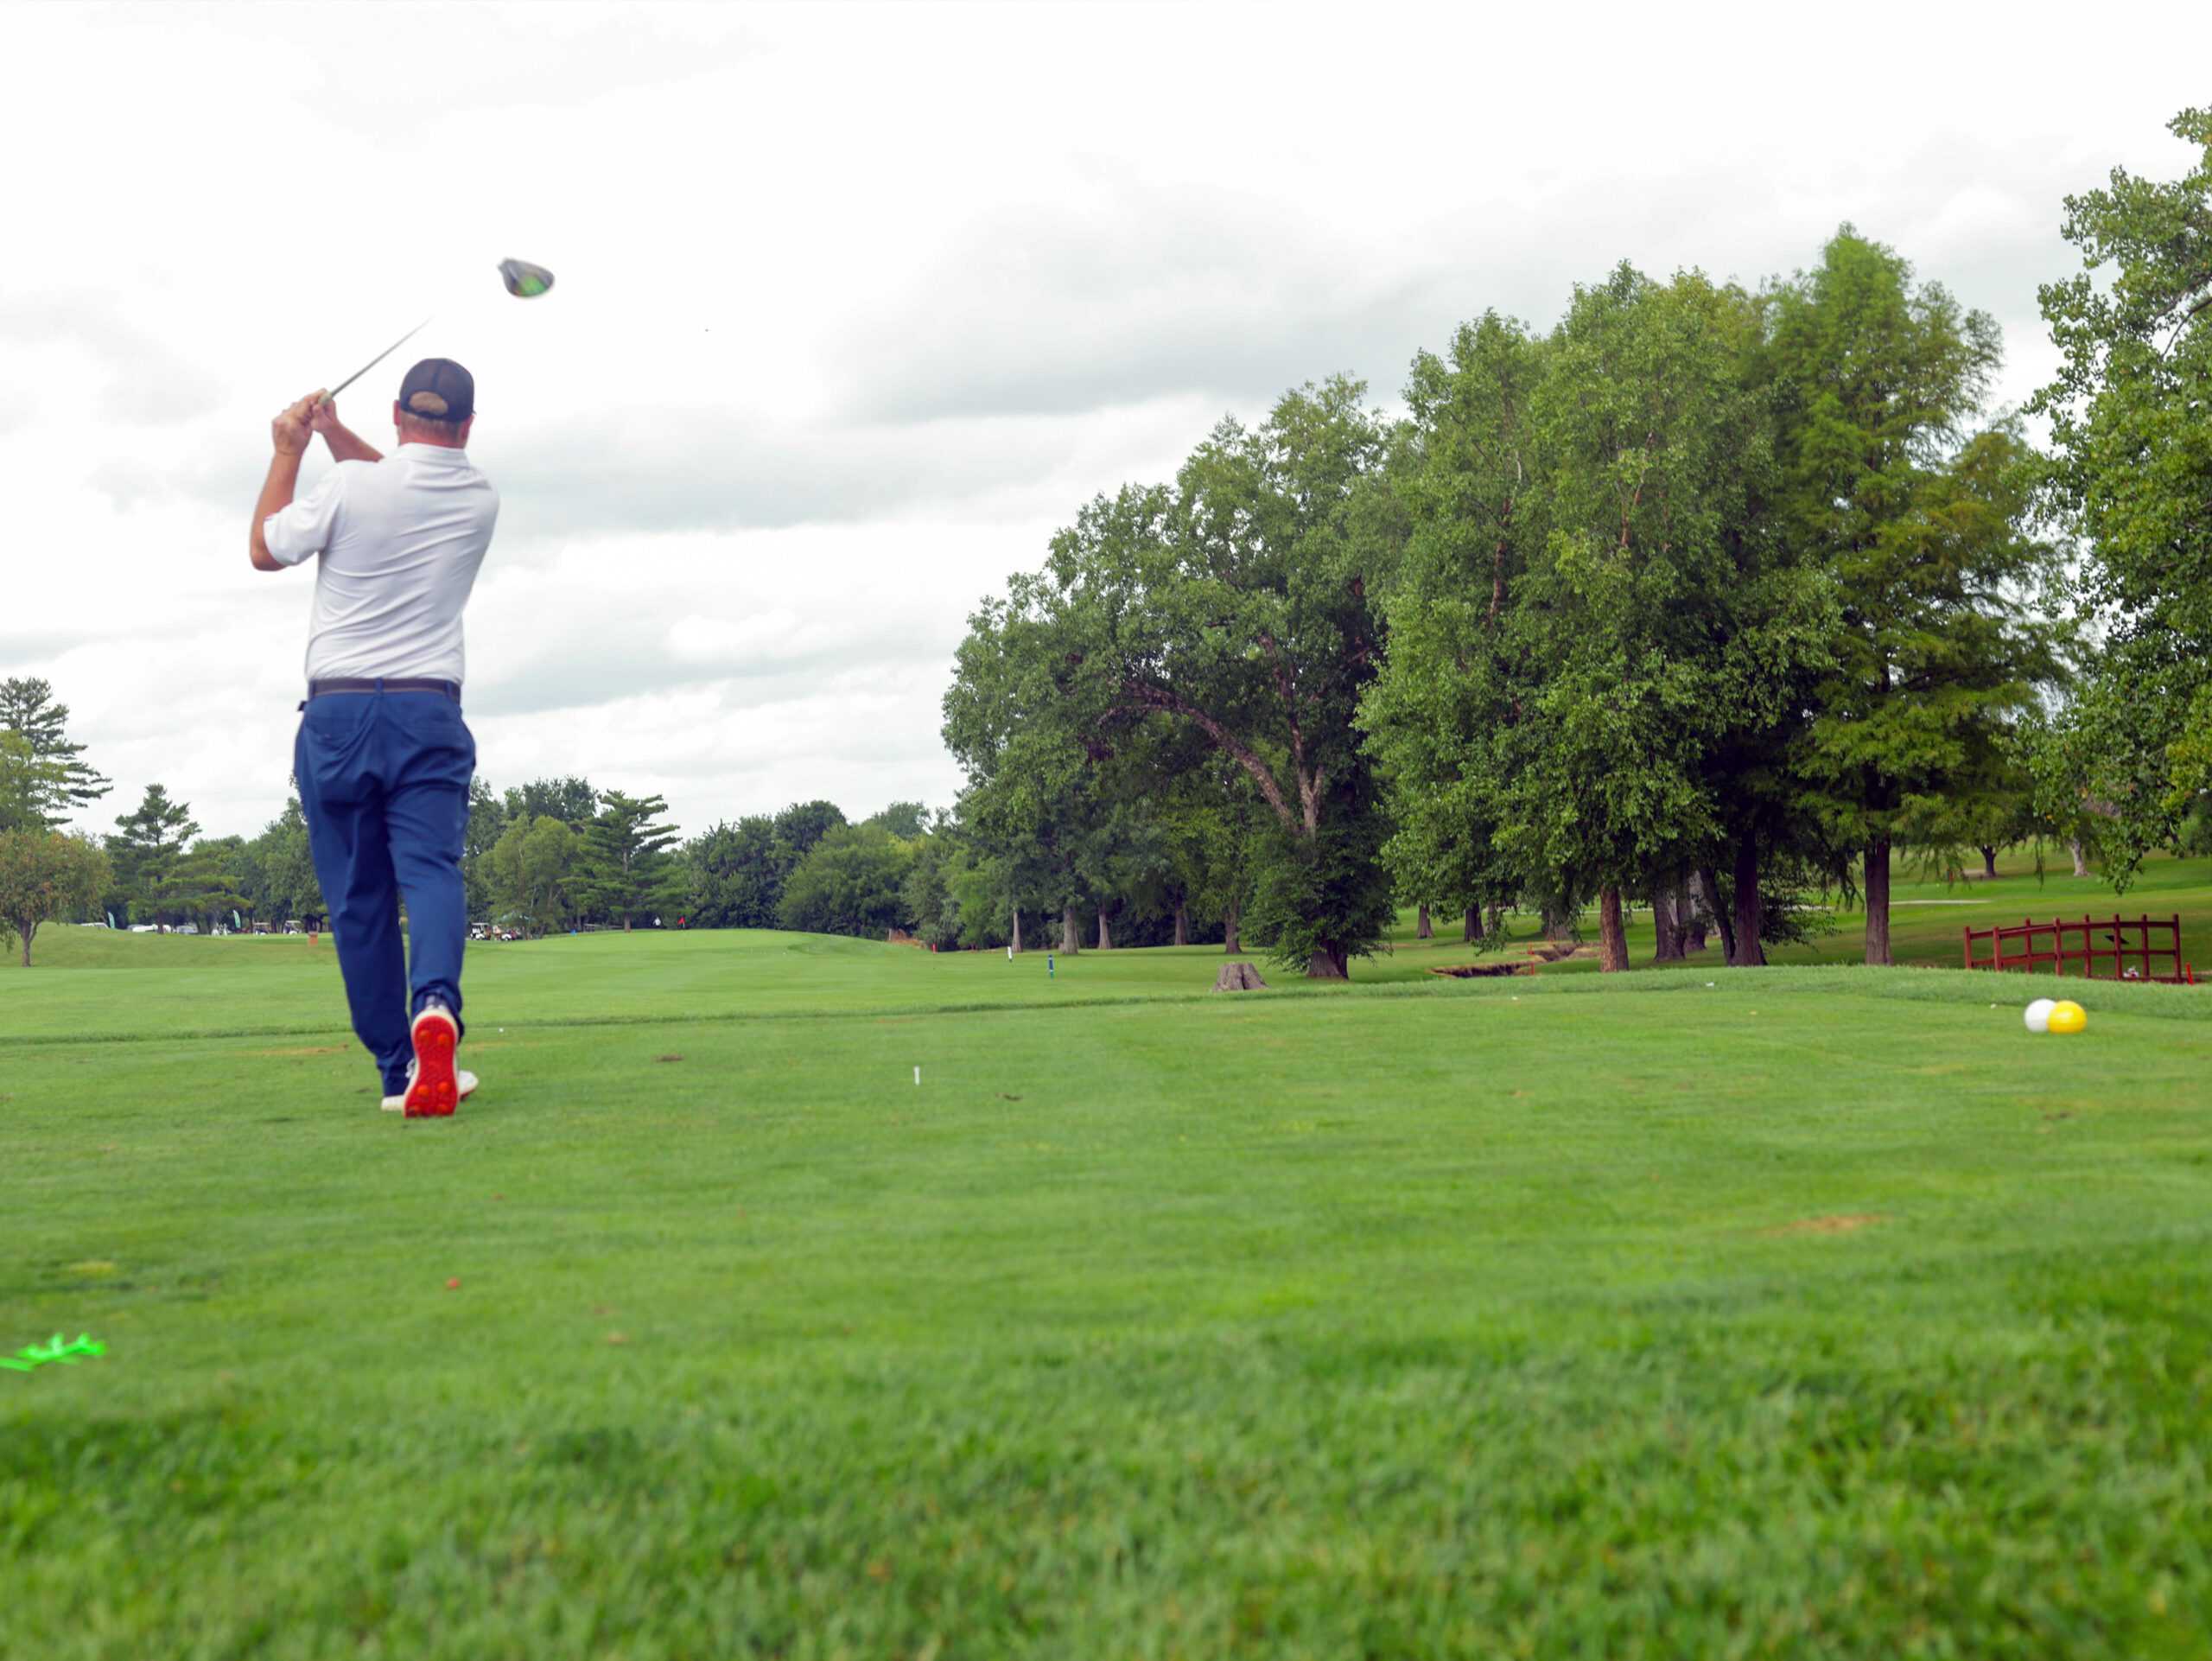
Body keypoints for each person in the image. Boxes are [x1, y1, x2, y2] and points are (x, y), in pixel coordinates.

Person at [249, 360, 499, 1118]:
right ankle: (436, 1009)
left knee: (359, 899)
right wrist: (332, 432)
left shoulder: (353, 487)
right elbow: (399, 483)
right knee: (429, 871)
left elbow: (265, 547)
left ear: (396, 414)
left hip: (338, 715)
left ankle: (399, 1069)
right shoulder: (479, 496)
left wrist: (292, 444)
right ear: (467, 426)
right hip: (428, 711)